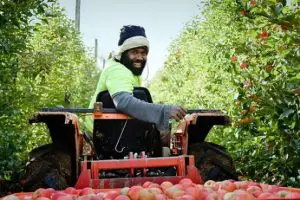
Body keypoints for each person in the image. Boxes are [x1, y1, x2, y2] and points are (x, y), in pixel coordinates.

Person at [85, 25, 187, 145]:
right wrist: (164, 112)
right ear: (123, 53)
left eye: (143, 53)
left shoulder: (132, 73)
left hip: (120, 131)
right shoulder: (118, 70)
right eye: (134, 52)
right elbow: (123, 102)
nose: (139, 57)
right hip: (103, 134)